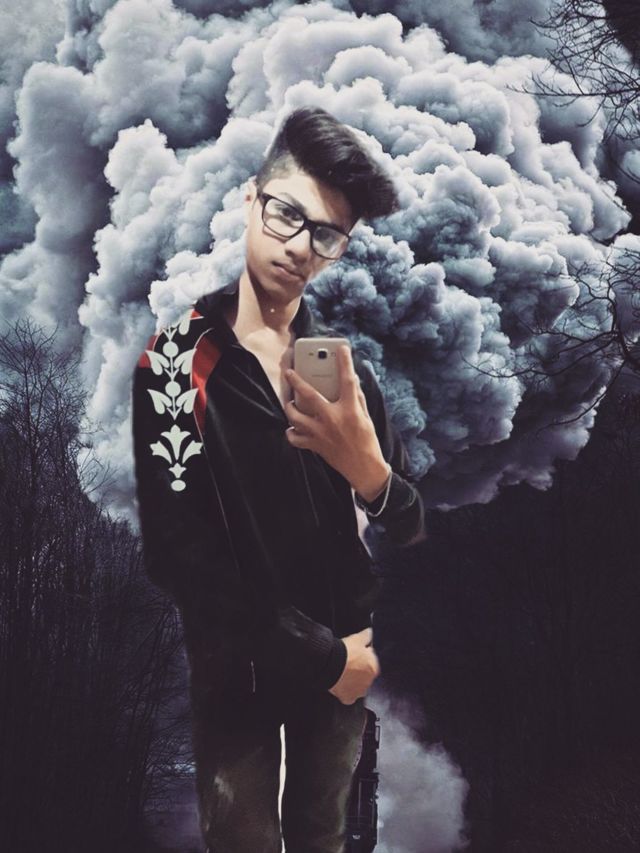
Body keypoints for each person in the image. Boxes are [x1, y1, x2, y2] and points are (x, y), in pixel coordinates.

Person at [131, 105, 426, 853]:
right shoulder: (176, 365)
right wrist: (326, 656)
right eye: (287, 213)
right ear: (250, 199)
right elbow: (178, 555)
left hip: (342, 665)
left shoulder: (341, 371)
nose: (299, 247)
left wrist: (368, 470)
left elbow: (408, 519)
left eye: (327, 234)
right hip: (241, 668)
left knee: (326, 838)